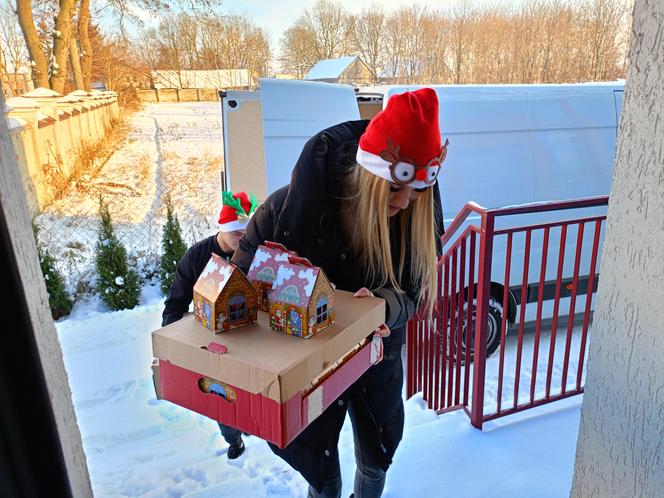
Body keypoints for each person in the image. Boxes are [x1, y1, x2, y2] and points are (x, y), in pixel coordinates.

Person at [231, 88, 446, 497]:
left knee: (374, 458)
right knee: (321, 470)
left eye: (416, 195)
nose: (404, 204)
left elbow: (417, 290)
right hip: (308, 364)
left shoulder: (416, 214)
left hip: (376, 361)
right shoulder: (286, 210)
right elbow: (240, 282)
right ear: (367, 177)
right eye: (394, 191)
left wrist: (384, 306)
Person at [162, 190, 259, 460]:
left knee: (249, 391)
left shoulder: (254, 252)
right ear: (223, 228)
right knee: (221, 398)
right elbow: (175, 303)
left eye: (247, 234)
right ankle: (234, 438)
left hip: (248, 337)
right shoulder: (196, 257)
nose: (243, 240)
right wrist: (170, 343)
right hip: (211, 341)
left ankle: (252, 423)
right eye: (237, 234)